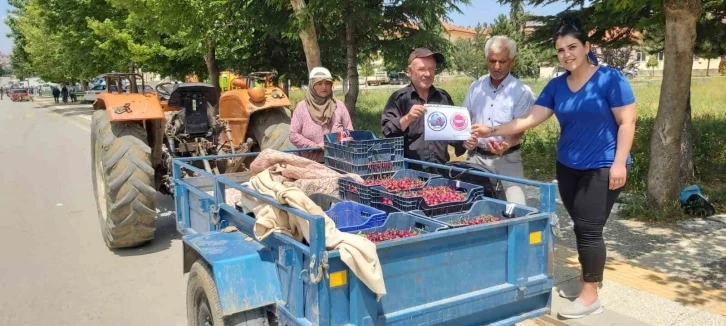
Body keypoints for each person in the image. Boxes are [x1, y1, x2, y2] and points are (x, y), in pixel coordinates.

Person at [470, 19, 636, 319]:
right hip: (568, 167)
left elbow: (627, 122)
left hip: (602, 166)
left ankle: (590, 294)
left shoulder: (610, 79)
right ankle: (590, 277)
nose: (566, 54)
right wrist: (491, 129)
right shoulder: (557, 85)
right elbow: (529, 119)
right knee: (580, 224)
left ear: (587, 47)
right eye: (560, 50)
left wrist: (619, 162)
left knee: (588, 228)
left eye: (572, 47)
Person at [462, 35, 535, 206]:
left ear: (512, 62)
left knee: (516, 210)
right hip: (476, 159)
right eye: (492, 61)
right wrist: (467, 139)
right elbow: (464, 119)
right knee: (472, 208)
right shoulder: (475, 87)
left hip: (507, 160)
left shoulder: (522, 91)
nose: (496, 66)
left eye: (502, 61)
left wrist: (507, 144)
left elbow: (519, 128)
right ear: (487, 60)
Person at [381, 48, 466, 172]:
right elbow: (387, 131)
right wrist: (407, 118)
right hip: (409, 173)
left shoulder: (443, 98)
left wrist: (465, 142)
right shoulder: (399, 99)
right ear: (410, 72)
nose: (427, 74)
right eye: (422, 69)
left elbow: (452, 134)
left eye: (431, 69)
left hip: (441, 171)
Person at [289, 67, 354, 163]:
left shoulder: (339, 106)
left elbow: (350, 132)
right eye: (319, 83)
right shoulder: (302, 107)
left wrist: (333, 143)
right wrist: (314, 146)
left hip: (338, 161)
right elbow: (293, 134)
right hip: (309, 163)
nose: (324, 87)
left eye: (327, 83)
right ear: (312, 85)